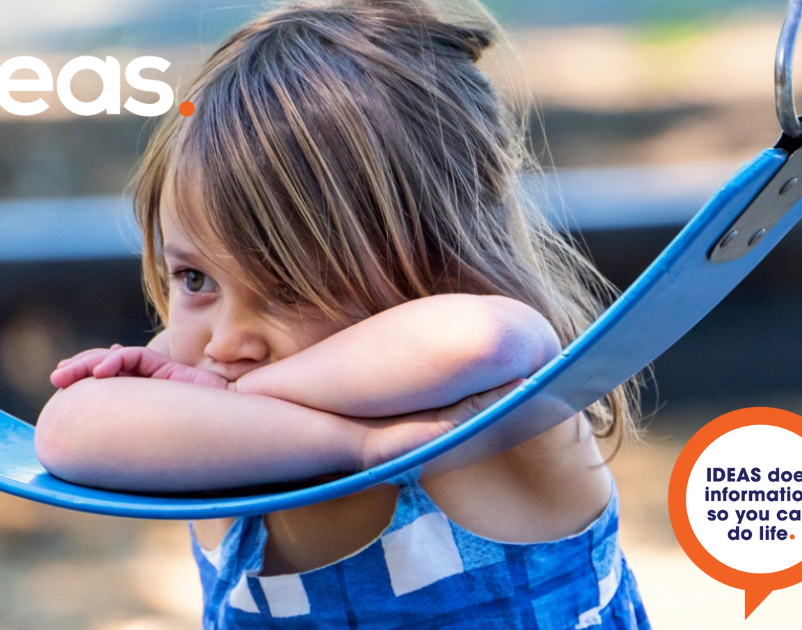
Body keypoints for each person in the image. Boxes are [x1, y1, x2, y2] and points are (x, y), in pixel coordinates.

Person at [36, 0, 649, 626]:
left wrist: (281, 409)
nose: (225, 341)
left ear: (438, 266)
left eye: (290, 288)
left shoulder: (503, 417)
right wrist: (347, 441)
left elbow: (486, 338)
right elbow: (66, 430)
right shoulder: (216, 370)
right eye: (196, 278)